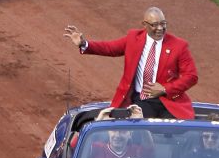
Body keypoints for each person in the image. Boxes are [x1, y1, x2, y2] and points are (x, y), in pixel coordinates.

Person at [64, 7, 199, 119]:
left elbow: (191, 76)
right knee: (138, 132)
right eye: (154, 25)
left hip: (169, 101)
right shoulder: (133, 38)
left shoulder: (178, 46)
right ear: (144, 25)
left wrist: (165, 89)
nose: (160, 28)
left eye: (163, 24)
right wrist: (84, 43)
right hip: (142, 101)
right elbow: (110, 48)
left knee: (174, 134)